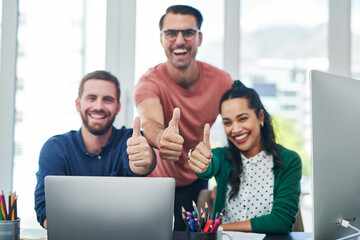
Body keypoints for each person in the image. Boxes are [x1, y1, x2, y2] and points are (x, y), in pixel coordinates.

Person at [134, 5, 233, 230]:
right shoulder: (149, 83)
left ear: (199, 38)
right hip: (156, 183)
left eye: (188, 32)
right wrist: (162, 139)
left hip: (197, 178)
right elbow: (150, 122)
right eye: (171, 33)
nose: (179, 40)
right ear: (161, 39)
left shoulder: (222, 82)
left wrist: (230, 177)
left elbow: (240, 128)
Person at [34, 70, 156, 229]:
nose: (99, 106)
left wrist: (144, 161)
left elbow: (140, 164)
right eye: (91, 98)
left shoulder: (131, 141)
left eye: (108, 100)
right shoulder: (55, 148)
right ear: (78, 104)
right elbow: (45, 211)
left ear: (118, 107)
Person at [188, 80, 302, 234]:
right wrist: (198, 159)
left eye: (242, 119)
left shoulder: (290, 160)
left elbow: (280, 222)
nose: (235, 129)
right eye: (228, 123)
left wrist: (217, 229)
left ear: (260, 116)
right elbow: (207, 166)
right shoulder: (221, 157)